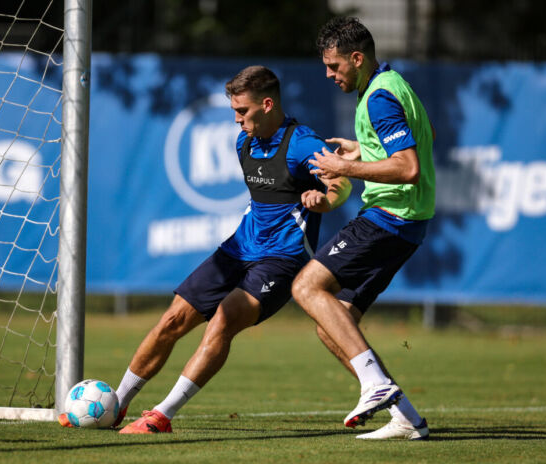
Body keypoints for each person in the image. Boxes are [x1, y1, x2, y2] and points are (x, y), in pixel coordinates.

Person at [57, 65, 351, 433]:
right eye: (233, 111)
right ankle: (115, 404)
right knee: (171, 320)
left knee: (224, 321)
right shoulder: (244, 141)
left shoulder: (303, 142)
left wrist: (325, 201)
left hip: (281, 260)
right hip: (238, 249)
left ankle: (161, 416)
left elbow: (340, 180)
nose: (236, 120)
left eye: (242, 111)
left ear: (268, 104)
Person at [291, 17, 436, 441]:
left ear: (357, 58)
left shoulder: (379, 98)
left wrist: (344, 167)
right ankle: (406, 417)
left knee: (305, 288)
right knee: (333, 322)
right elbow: (410, 146)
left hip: (389, 218)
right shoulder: (389, 84)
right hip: (407, 223)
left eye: (335, 66)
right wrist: (363, 148)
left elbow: (407, 167)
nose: (329, 74)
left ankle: (376, 385)